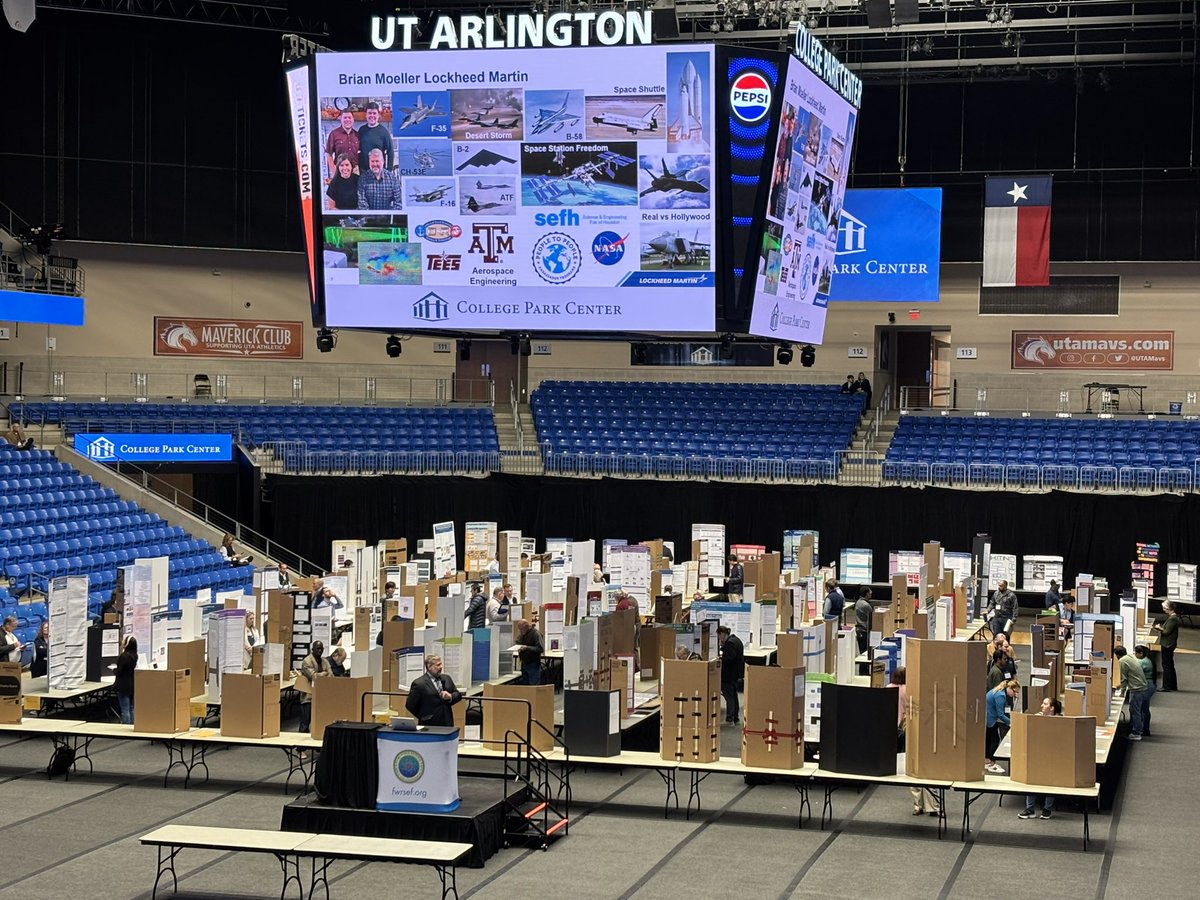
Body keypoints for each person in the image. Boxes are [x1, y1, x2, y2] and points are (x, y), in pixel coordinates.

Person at [1018, 698, 1064, 819]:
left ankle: (1047, 809)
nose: (1041, 706)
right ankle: (1030, 809)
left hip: (1053, 756)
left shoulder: (1061, 721)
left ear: (1052, 708)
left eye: (1045, 704)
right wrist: (1034, 720)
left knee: (1050, 782)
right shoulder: (1037, 718)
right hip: (1037, 755)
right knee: (1032, 781)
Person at [405, 655, 462, 726]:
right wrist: (424, 717)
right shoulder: (419, 684)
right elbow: (410, 705)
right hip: (429, 725)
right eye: (438, 665)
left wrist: (450, 696)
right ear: (429, 667)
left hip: (447, 723)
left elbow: (458, 695)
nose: (441, 667)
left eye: (441, 664)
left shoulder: (446, 678)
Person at [1114, 645, 1148, 740]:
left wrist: (1122, 693)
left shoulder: (1122, 661)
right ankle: (1135, 729)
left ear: (1117, 655)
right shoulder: (1130, 657)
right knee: (1135, 710)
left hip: (1137, 688)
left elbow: (1124, 678)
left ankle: (1136, 733)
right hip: (1141, 686)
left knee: (1135, 711)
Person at [985, 679, 1019, 773]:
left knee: (989, 740)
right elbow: (1000, 714)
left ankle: (987, 760)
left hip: (989, 716)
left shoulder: (1000, 691)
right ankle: (991, 763)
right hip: (990, 718)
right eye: (1015, 692)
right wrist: (1011, 723)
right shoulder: (1000, 695)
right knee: (994, 741)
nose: (1015, 694)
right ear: (1010, 688)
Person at [299, 640, 333, 732]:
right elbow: (313, 676)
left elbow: (331, 676)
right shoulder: (307, 661)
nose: (320, 651)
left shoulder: (325, 661)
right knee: (305, 723)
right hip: (308, 696)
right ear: (312, 649)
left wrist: (322, 675)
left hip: (322, 695)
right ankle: (301, 740)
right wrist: (324, 673)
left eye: (321, 649)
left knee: (320, 721)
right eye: (318, 648)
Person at [717, 624, 743, 725]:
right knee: (733, 695)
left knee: (729, 696)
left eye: (719, 636)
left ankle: (730, 718)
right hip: (735, 674)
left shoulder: (730, 643)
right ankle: (735, 717)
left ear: (722, 634)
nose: (719, 639)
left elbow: (730, 658)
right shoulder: (736, 640)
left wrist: (721, 658)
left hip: (728, 674)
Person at [356, 100, 392, 173]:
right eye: (369, 113)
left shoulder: (384, 132)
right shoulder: (361, 130)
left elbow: (390, 152)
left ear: (378, 115)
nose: (372, 116)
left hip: (379, 171)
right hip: (364, 171)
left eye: (374, 113)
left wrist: (388, 171)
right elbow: (357, 149)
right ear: (366, 115)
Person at [324, 109, 361, 179]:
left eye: (349, 117)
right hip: (340, 169)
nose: (347, 120)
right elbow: (329, 154)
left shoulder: (357, 135)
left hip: (355, 170)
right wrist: (334, 171)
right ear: (341, 119)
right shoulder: (334, 134)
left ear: (353, 119)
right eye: (345, 118)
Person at [1151, 600, 1179, 691]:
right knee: (1170, 665)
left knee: (1166, 666)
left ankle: (1166, 686)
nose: (1163, 610)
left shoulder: (1172, 619)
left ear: (1168, 608)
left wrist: (1159, 628)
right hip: (1169, 644)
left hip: (1167, 644)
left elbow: (1166, 632)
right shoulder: (1173, 618)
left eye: (1164, 608)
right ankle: (1172, 685)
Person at [115, 636, 138, 725]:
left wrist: (114, 670)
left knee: (125, 709)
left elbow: (119, 672)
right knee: (131, 708)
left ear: (127, 644)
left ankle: (125, 726)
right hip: (132, 683)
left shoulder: (123, 656)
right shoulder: (135, 655)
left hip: (123, 685)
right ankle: (132, 725)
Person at [514, 618, 544, 685]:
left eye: (521, 629)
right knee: (526, 685)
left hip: (533, 664)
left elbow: (540, 648)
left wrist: (527, 648)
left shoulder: (535, 634)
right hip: (524, 663)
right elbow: (518, 641)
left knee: (534, 685)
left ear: (526, 627)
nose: (520, 631)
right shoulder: (522, 634)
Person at [1134, 645, 1156, 736]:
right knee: (1145, 708)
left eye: (1136, 653)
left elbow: (1134, 670)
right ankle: (1145, 729)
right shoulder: (1148, 660)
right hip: (1149, 685)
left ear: (1141, 653)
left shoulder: (1142, 662)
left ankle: (1138, 730)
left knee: (1139, 708)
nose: (1135, 655)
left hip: (1145, 686)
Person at [854, 587, 874, 654]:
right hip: (865, 630)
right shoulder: (866, 605)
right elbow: (872, 617)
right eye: (870, 592)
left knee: (862, 651)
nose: (871, 593)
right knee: (865, 652)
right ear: (867, 593)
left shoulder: (858, 602)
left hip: (859, 630)